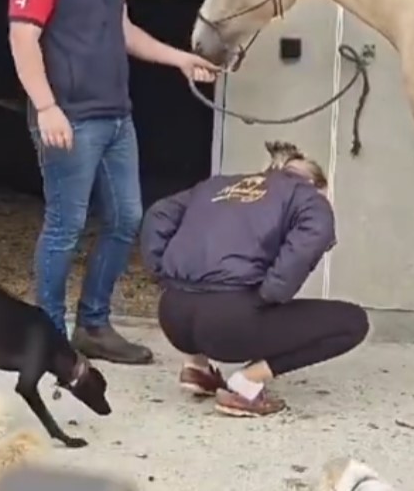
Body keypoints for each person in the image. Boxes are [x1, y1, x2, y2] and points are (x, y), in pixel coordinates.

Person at [7, 0, 219, 365]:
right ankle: (49, 333)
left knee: (127, 218)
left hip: (117, 117)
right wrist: (45, 106)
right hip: (70, 120)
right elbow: (23, 38)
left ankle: (94, 325)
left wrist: (180, 59)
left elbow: (125, 33)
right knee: (66, 225)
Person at [140, 140, 370, 417]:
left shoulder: (218, 186)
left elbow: (159, 213)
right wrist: (273, 291)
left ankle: (196, 368)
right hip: (228, 326)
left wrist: (162, 273)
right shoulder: (306, 195)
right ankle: (246, 384)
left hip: (173, 316)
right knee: (352, 322)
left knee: (212, 298)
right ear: (314, 184)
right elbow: (314, 233)